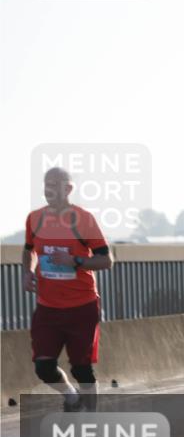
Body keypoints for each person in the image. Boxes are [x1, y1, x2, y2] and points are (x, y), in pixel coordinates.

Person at [23, 167, 113, 412]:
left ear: (68, 189)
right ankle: (72, 397)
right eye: (46, 184)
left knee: (81, 368)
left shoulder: (83, 220)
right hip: (48, 307)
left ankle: (91, 420)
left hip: (82, 306)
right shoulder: (35, 218)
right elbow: (29, 248)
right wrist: (27, 271)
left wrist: (76, 261)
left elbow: (106, 260)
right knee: (43, 367)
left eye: (55, 184)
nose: (49, 189)